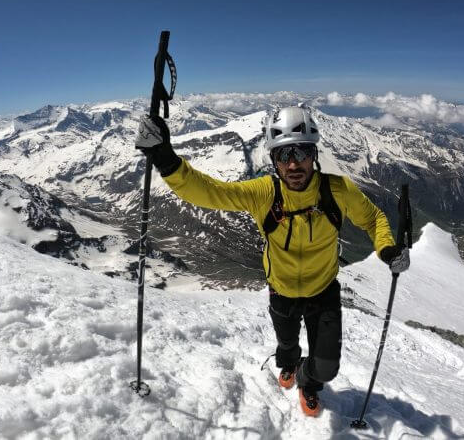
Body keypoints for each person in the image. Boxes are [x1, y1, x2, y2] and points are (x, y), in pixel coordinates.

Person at [135, 105, 410, 417]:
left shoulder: (337, 191)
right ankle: (291, 364)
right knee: (287, 347)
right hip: (282, 289)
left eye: (302, 153)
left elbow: (374, 219)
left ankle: (308, 381)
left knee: (327, 368)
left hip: (324, 291)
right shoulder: (264, 193)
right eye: (283, 155)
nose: (293, 164)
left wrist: (387, 249)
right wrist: (164, 157)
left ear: (314, 154)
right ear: (273, 160)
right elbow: (210, 193)